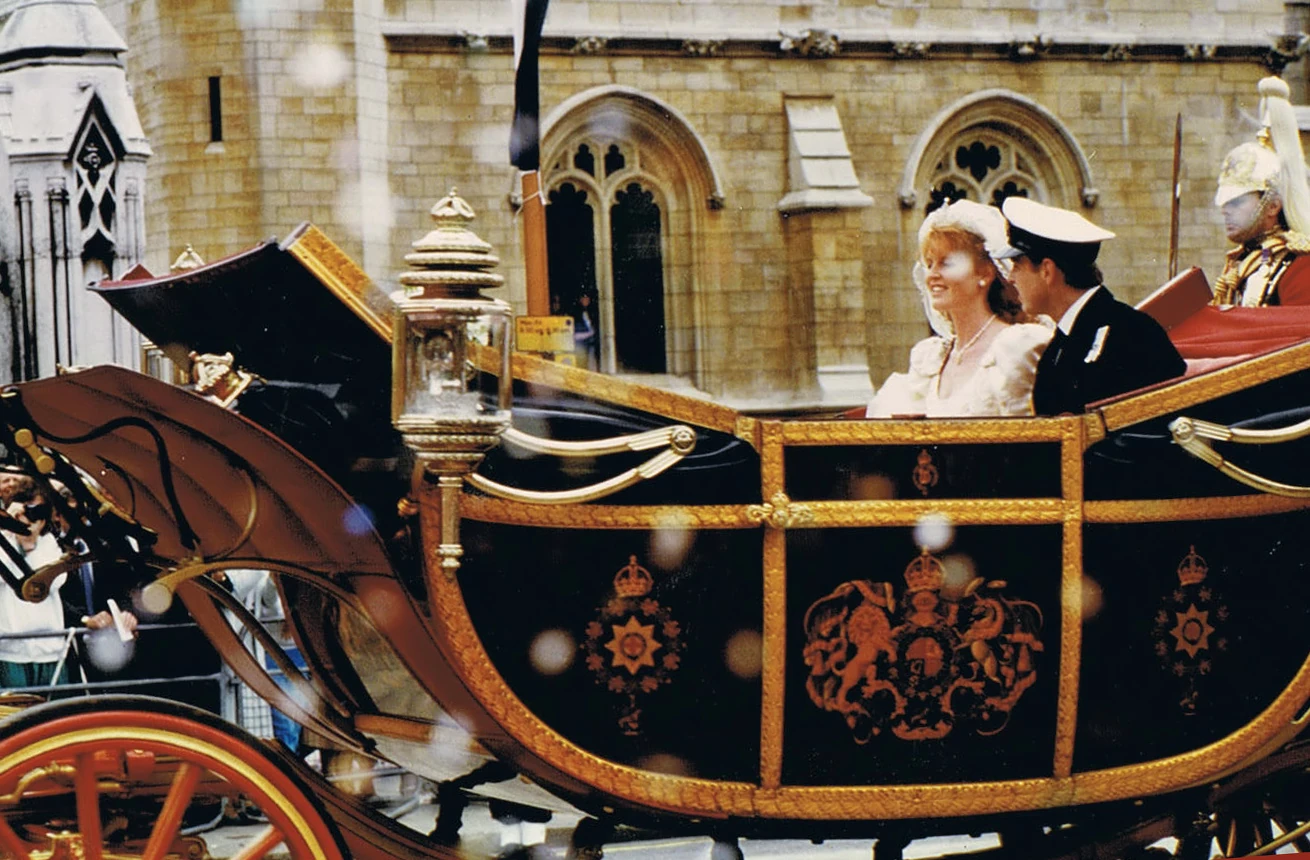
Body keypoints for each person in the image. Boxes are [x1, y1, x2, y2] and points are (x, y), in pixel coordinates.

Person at [866, 199, 1054, 417]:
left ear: (985, 273)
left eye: (946, 263)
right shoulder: (929, 358)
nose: (932, 275)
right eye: (929, 264)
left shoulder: (1017, 346)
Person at [998, 197, 1186, 415]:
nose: (1011, 278)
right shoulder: (1058, 347)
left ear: (1047, 270)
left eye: (1017, 266)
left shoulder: (1132, 334)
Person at [1211, 76, 1310, 307]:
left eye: (1237, 202)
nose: (1225, 210)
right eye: (1225, 202)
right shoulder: (1242, 260)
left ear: (1273, 206)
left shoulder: (1300, 266)